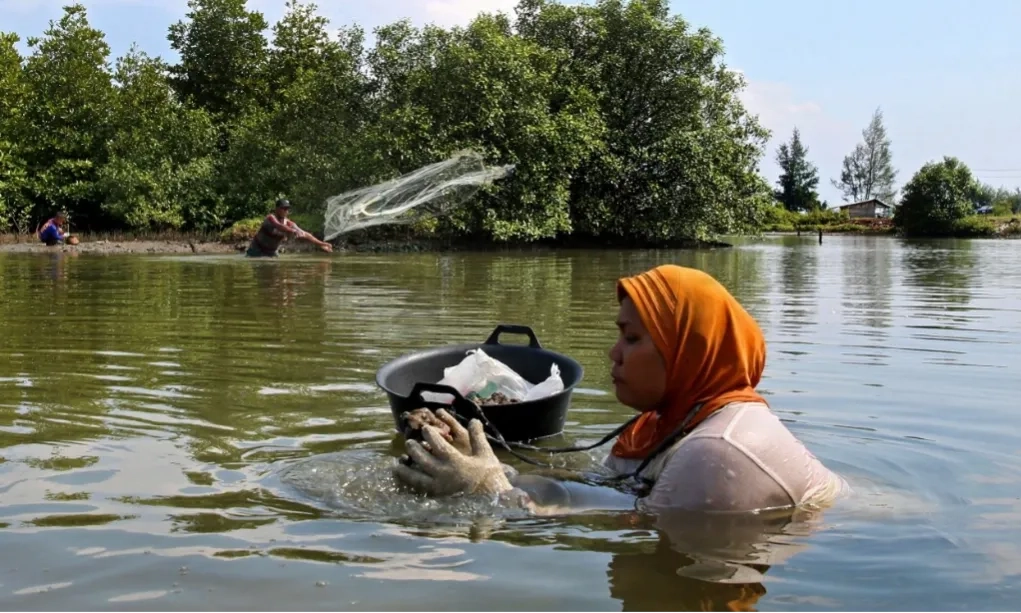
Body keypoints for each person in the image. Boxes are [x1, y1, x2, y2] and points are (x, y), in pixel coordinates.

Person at [392, 264, 847, 515]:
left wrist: (486, 488)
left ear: (685, 350)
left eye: (632, 339)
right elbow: (605, 492)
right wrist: (491, 466)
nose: (613, 354)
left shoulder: (718, 451)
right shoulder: (667, 424)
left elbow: (636, 530)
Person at [246, 198, 333, 257]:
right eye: (284, 208)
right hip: (256, 250)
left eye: (287, 209)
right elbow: (279, 226)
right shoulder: (270, 218)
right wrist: (293, 231)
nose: (286, 211)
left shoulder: (288, 222)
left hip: (271, 252)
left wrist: (322, 244)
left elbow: (305, 234)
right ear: (277, 209)